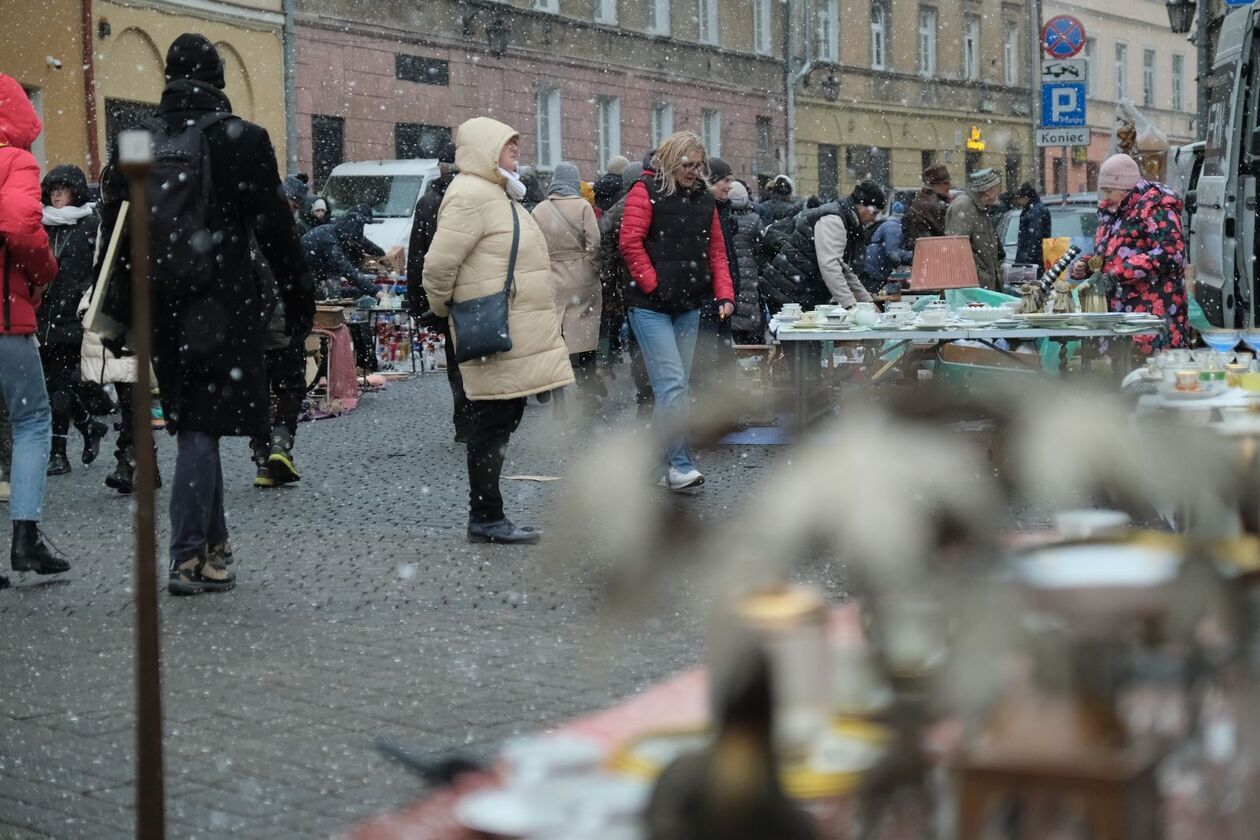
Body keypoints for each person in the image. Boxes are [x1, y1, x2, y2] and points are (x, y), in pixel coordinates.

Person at [95, 34, 311, 595]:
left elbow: (114, 233)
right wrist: (298, 300)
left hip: (157, 304)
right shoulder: (241, 138)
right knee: (198, 427)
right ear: (218, 78)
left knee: (196, 421)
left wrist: (115, 316)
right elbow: (276, 232)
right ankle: (188, 556)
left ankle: (216, 551)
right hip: (221, 303)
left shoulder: (137, 140)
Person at [422, 117, 574, 545]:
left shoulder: (496, 192)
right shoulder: (471, 195)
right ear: (487, 150)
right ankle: (486, 516)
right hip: (493, 328)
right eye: (509, 147)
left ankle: (490, 514)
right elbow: (438, 266)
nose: (516, 153)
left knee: (504, 417)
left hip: (512, 329)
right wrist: (443, 308)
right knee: (490, 421)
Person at [619, 131, 735, 493]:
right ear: (672, 161)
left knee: (676, 388)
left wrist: (724, 294)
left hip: (687, 303)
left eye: (698, 165)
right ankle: (679, 464)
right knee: (672, 387)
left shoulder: (703, 199)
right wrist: (654, 284)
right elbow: (629, 242)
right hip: (650, 306)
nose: (694, 171)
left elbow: (716, 250)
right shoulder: (645, 191)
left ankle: (652, 464)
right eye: (688, 164)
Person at [1, 72, 70, 587]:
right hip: (5, 317)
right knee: (31, 421)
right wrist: (45, 271)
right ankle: (25, 537)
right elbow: (24, 226)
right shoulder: (15, 160)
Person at [1070, 153, 1189, 354]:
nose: (1106, 196)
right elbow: (1109, 253)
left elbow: (1172, 252)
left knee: (1151, 377)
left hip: (1152, 312)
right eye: (1104, 190)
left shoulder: (1156, 207)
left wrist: (1120, 272)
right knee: (1121, 375)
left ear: (1126, 188)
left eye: (1110, 190)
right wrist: (1088, 265)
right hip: (1122, 316)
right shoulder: (1114, 212)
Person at [39, 164, 108, 476]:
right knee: (51, 384)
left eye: (62, 188)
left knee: (61, 385)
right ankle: (88, 424)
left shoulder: (91, 225)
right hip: (43, 316)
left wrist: (85, 295)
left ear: (76, 191)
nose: (56, 194)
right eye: (52, 188)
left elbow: (100, 269)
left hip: (73, 316)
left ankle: (58, 453)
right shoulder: (41, 225)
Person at [406, 139, 470, 440]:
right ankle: (475, 416)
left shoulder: (430, 201)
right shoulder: (468, 197)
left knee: (457, 356)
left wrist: (418, 300)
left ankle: (464, 419)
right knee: (473, 356)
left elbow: (417, 255)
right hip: (470, 290)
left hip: (446, 293)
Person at [532, 161, 603, 416]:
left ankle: (557, 396)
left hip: (551, 278)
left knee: (555, 338)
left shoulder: (539, 210)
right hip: (582, 278)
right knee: (584, 337)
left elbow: (533, 246)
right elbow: (594, 243)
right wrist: (592, 267)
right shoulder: (583, 205)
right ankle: (587, 395)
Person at [760, 181, 884, 312]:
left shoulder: (845, 220)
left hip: (795, 292)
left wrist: (867, 303)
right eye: (874, 212)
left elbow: (844, 270)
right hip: (788, 295)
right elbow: (830, 267)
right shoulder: (834, 220)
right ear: (861, 204)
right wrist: (852, 306)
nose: (874, 219)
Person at [250, 247, 315, 488]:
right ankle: (279, 445)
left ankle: (263, 458)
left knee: (256, 398)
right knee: (290, 389)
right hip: (282, 330)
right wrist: (303, 325)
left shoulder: (238, 240)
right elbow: (304, 286)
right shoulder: (281, 240)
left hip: (251, 336)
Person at [598, 161, 654, 418]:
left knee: (636, 343)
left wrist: (610, 293)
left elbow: (606, 258)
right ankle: (655, 390)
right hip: (652, 283)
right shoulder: (652, 204)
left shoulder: (613, 212)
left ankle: (644, 390)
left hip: (628, 286)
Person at [945, 168, 1004, 291]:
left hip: (984, 284)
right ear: (988, 191)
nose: (999, 194)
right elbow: (956, 250)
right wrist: (978, 272)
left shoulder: (980, 208)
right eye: (997, 189)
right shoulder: (964, 207)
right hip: (973, 288)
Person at [302, 211, 381, 299]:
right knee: (321, 299)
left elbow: (362, 242)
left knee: (332, 290)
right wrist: (375, 291)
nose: (352, 244)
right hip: (305, 274)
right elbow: (346, 269)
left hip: (313, 270)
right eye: (352, 240)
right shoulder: (330, 242)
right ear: (347, 236)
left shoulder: (335, 231)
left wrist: (380, 253)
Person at [725, 181, 765, 343]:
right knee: (748, 307)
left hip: (729, 272)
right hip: (750, 274)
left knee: (731, 304)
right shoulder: (755, 219)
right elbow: (761, 249)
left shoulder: (721, 216)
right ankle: (749, 347)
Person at [902, 164, 952, 253]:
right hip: (935, 254)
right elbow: (948, 235)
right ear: (934, 185)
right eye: (946, 183)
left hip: (924, 254)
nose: (949, 186)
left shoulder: (922, 199)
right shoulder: (937, 205)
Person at [862, 213, 914, 293]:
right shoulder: (893, 228)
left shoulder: (894, 226)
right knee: (870, 296)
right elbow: (892, 252)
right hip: (873, 268)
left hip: (874, 266)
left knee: (874, 295)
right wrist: (913, 255)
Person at [1014, 182, 1052, 268]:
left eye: (1019, 198)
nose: (1018, 202)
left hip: (1032, 260)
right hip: (1034, 258)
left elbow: (1035, 235)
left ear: (1025, 197)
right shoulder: (1034, 209)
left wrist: (1028, 258)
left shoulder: (1034, 211)